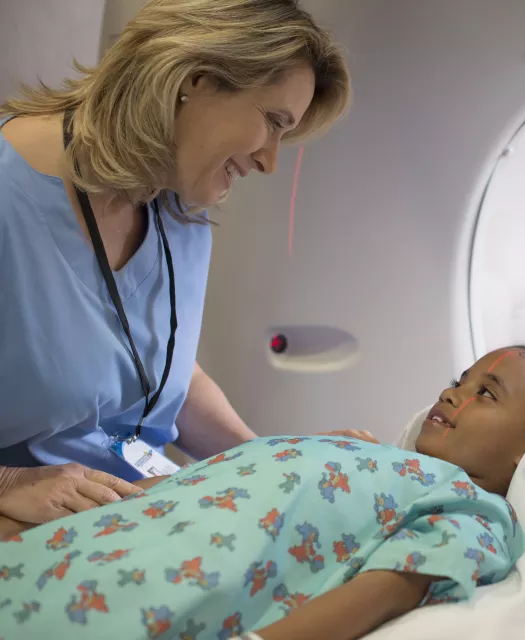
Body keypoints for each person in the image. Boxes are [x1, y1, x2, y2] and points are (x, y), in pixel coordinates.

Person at [0, 346, 525, 640]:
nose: (453, 394)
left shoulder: (475, 512)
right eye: (460, 379)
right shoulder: (368, 450)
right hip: (110, 527)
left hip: (156, 588)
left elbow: (386, 589)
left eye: (487, 395)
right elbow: (217, 483)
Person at [0, 0, 351, 528]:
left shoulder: (177, 206)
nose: (271, 161)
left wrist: (277, 463)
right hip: (39, 524)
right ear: (197, 80)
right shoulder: (9, 196)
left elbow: (160, 366)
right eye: (273, 123)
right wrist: (11, 482)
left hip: (133, 510)